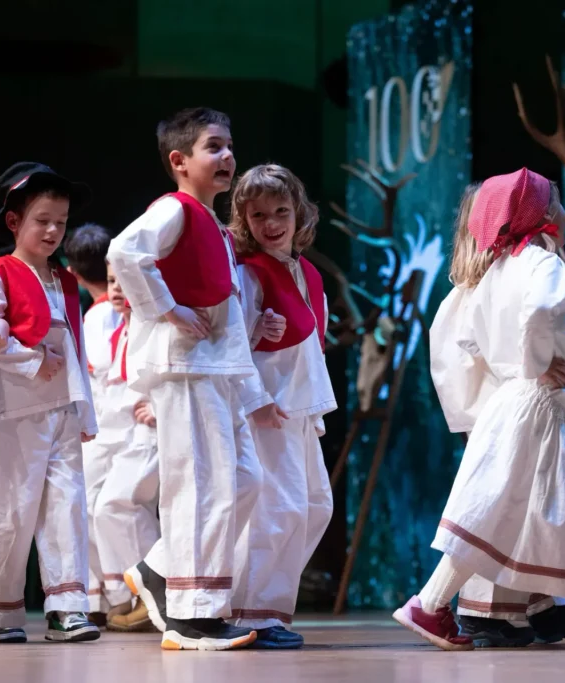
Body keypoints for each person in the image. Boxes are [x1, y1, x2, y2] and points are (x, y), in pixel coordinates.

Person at [396, 168, 565, 651]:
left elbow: (467, 337)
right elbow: (542, 310)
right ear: (543, 214)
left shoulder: (496, 269)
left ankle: (434, 603)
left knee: (516, 510)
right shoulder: (542, 263)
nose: (563, 213)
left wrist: (515, 365)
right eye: (557, 204)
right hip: (536, 406)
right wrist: (536, 363)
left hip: (512, 401)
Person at [108, 107, 278, 651]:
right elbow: (125, 252)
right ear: (180, 160)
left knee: (243, 480)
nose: (227, 156)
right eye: (214, 146)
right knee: (200, 485)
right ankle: (191, 615)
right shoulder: (174, 209)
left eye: (229, 145)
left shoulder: (212, 225)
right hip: (186, 367)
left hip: (215, 369)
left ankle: (161, 571)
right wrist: (167, 308)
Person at [437, 184, 565, 648]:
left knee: (538, 506)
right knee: (499, 508)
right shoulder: (475, 292)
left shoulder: (515, 275)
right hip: (502, 409)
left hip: (525, 406)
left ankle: (544, 604)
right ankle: (486, 611)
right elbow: (461, 363)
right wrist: (478, 415)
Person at [0, 162, 101, 643]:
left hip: (62, 409)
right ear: (14, 221)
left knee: (67, 508)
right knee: (11, 512)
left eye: (60, 222)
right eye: (42, 220)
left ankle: (67, 608)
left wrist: (84, 410)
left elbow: (76, 349)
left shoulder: (65, 280)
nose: (52, 230)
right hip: (14, 412)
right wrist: (29, 360)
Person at [226, 164, 334, 649]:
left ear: (298, 213)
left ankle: (254, 603)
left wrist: (315, 410)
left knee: (315, 507)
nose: (271, 223)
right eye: (258, 215)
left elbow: (312, 346)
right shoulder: (249, 273)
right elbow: (230, 342)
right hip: (269, 406)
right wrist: (256, 398)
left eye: (281, 211)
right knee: (279, 509)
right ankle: (257, 613)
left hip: (301, 409)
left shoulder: (307, 272)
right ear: (244, 220)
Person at [91, 263, 161, 632]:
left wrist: (161, 408)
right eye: (111, 281)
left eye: (125, 281)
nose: (117, 289)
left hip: (151, 433)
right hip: (125, 434)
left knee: (117, 505)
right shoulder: (120, 326)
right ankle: (136, 593)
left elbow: (172, 366)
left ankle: (153, 593)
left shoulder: (153, 324)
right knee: (105, 508)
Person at [66, 223, 125, 625]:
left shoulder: (102, 314)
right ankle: (106, 597)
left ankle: (113, 596)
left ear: (72, 272)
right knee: (100, 509)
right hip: (112, 421)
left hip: (108, 422)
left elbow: (97, 369)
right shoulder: (109, 312)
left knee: (98, 509)